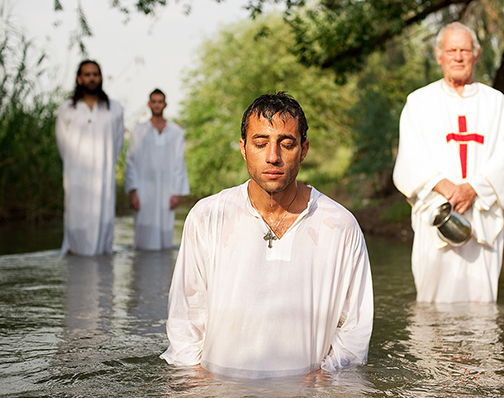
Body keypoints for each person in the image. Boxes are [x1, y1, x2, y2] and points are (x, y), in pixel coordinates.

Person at [160, 92, 373, 379]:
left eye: (286, 144)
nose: (273, 157)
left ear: (304, 149)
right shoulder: (208, 216)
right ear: (243, 148)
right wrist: (197, 381)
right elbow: (184, 318)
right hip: (219, 387)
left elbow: (355, 328)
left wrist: (325, 379)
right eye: (260, 143)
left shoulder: (338, 226)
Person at [392, 22, 504, 303]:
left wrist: (473, 188)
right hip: (437, 210)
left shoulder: (496, 104)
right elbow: (410, 157)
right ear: (439, 55)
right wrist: (447, 187)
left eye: (464, 50)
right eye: (451, 50)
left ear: (476, 54)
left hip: (481, 212)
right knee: (433, 304)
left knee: (481, 302)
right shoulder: (418, 102)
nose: (458, 57)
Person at [56, 60, 125, 256]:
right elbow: (62, 142)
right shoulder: (68, 108)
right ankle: (74, 253)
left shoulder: (114, 108)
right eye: (87, 74)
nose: (92, 78)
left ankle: (102, 254)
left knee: (102, 215)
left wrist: (105, 163)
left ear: (101, 77)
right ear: (79, 78)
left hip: (103, 174)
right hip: (75, 174)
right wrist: (73, 165)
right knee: (76, 215)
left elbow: (117, 142)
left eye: (95, 74)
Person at [124, 89, 190, 250]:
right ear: (149, 104)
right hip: (143, 190)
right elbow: (130, 161)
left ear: (165, 104)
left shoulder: (176, 132)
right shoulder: (139, 131)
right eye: (154, 101)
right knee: (142, 239)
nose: (157, 104)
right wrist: (133, 191)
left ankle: (162, 273)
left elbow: (179, 163)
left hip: (167, 190)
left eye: (160, 101)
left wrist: (176, 192)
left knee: (165, 240)